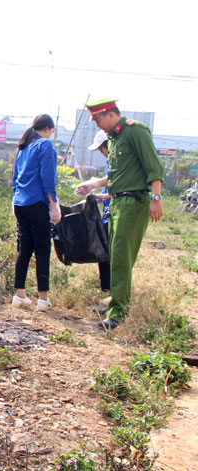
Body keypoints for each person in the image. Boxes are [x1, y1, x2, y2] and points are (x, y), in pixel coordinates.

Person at [75, 99, 163, 330]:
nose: (97, 125)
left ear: (110, 114)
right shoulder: (114, 139)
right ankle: (116, 300)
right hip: (117, 201)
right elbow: (116, 176)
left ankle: (118, 312)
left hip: (134, 202)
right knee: (115, 255)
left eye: (98, 119)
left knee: (122, 256)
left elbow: (154, 167)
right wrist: (93, 185)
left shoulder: (136, 131)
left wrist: (156, 198)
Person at [11, 114, 61, 311]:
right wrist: (54, 204)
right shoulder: (45, 146)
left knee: (24, 249)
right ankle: (43, 299)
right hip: (36, 202)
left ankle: (19, 295)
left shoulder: (22, 149)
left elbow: (14, 178)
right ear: (48, 129)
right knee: (42, 249)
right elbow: (47, 177)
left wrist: (14, 200)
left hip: (20, 203)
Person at [86, 130, 112, 294]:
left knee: (107, 254)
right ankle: (106, 288)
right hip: (106, 212)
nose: (102, 153)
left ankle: (110, 289)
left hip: (114, 213)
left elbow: (119, 190)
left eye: (101, 149)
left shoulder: (117, 163)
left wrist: (98, 195)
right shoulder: (110, 163)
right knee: (102, 253)